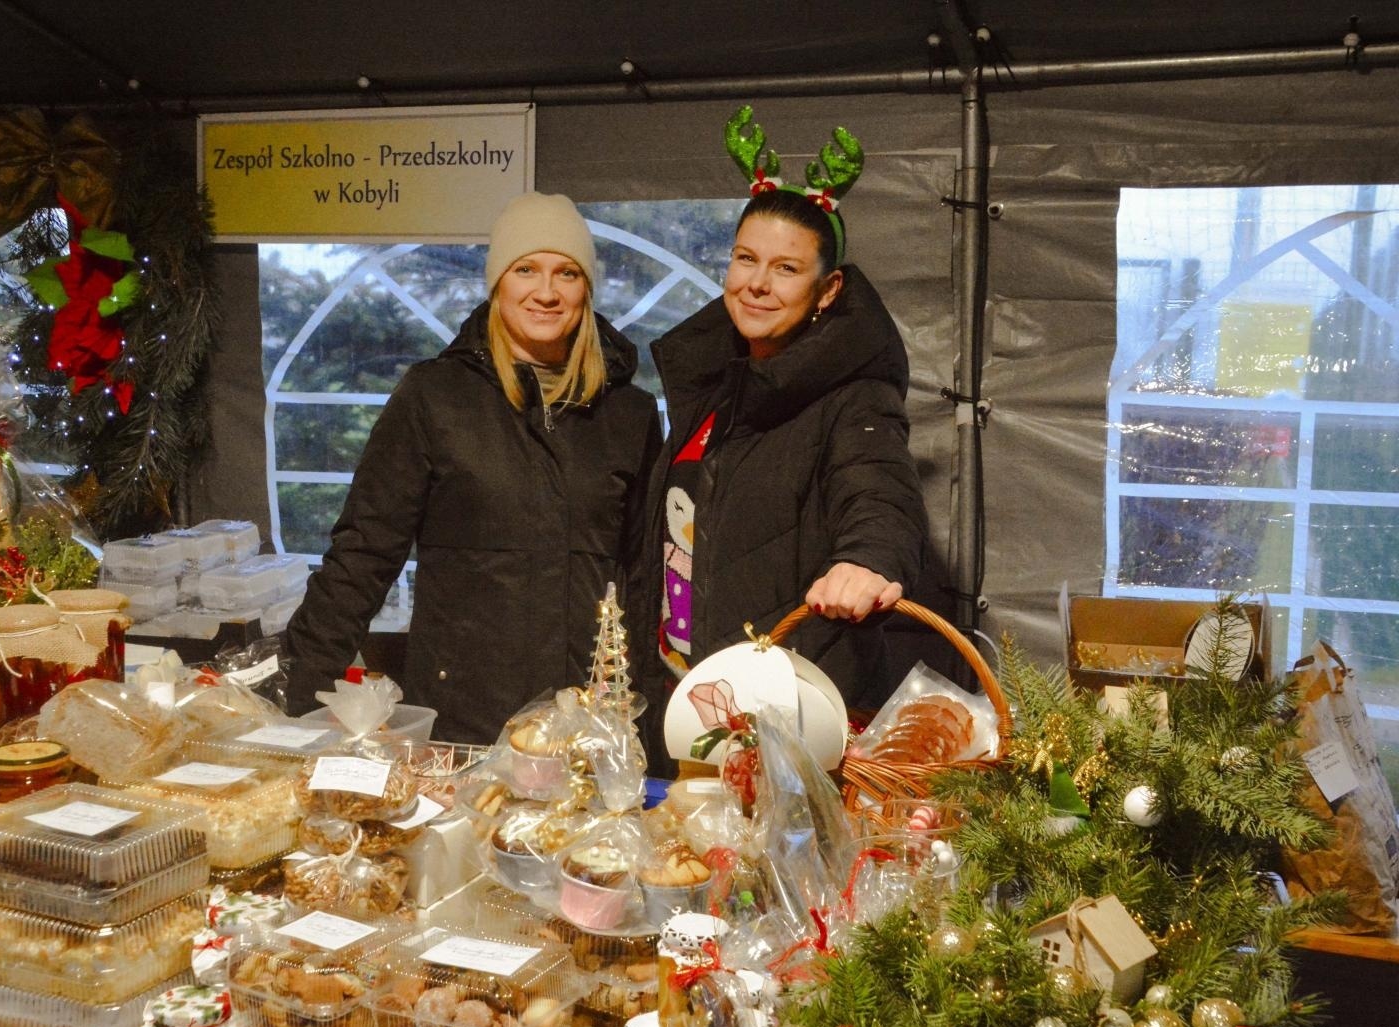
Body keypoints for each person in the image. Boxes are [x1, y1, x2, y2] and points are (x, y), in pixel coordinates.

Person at [284, 192, 663, 745]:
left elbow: (646, 578)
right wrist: (298, 698)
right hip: (460, 714)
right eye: (526, 269)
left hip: (584, 718)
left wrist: (645, 719)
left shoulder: (629, 413)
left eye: (567, 273)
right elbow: (365, 551)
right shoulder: (435, 397)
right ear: (497, 282)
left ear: (586, 289)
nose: (546, 292)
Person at [638, 109, 929, 755]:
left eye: (786, 269)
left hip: (791, 711)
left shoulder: (856, 394)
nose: (757, 284)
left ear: (827, 291)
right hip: (693, 703)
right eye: (746, 259)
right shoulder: (715, 392)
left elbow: (879, 490)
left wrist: (868, 559)